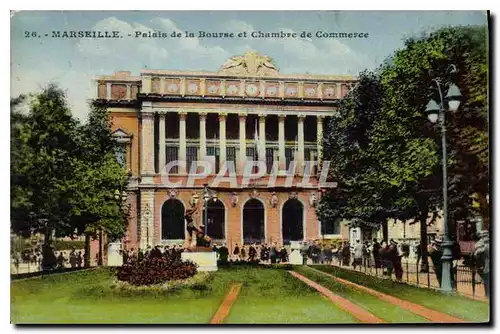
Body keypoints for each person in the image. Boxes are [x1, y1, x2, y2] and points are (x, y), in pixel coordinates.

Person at [474, 230, 489, 298]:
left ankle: (487, 294)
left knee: (487, 279)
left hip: (486, 266)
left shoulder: (479, 244)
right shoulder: (480, 244)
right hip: (485, 265)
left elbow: (476, 255)